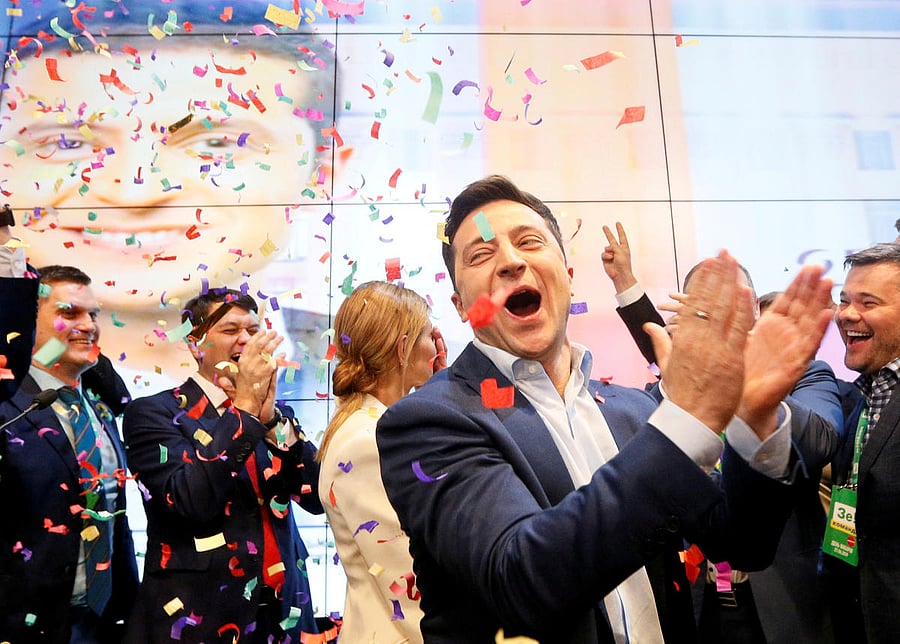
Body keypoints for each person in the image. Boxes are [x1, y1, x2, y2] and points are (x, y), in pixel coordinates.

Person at [375, 175, 837, 643]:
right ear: (460, 305)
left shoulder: (632, 410)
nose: (511, 261)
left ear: (568, 276)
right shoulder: (427, 422)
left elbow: (742, 542)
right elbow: (521, 579)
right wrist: (688, 417)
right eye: (481, 255)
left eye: (529, 241)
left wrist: (754, 418)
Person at [0, 1, 341, 395]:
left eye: (215, 143)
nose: (134, 192)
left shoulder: (363, 362)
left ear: (323, 173)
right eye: (65, 143)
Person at [600, 222, 842, 643]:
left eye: (731, 307)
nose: (719, 320)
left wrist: (751, 391)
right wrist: (626, 285)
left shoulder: (808, 378)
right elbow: (664, 359)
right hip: (695, 601)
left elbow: (819, 438)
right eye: (703, 309)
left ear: (754, 315)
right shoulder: (658, 396)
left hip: (781, 596)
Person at [122, 288, 324, 642]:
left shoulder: (273, 415)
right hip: (198, 617)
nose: (246, 340)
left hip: (283, 613)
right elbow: (192, 501)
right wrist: (244, 411)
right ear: (194, 343)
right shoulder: (154, 413)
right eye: (231, 330)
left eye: (253, 329)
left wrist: (273, 422)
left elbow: (315, 497)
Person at [0, 265, 139, 642]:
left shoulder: (101, 409)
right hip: (25, 625)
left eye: (92, 314)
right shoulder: (9, 408)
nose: (88, 325)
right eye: (69, 313)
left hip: (107, 621)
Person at [317, 281, 447, 643]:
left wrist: (438, 392)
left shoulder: (379, 426)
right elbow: (403, 573)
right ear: (403, 348)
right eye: (427, 332)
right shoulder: (367, 440)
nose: (435, 343)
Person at [824, 243, 900, 642]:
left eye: (867, 302)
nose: (847, 314)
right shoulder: (859, 396)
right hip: (859, 615)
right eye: (844, 300)